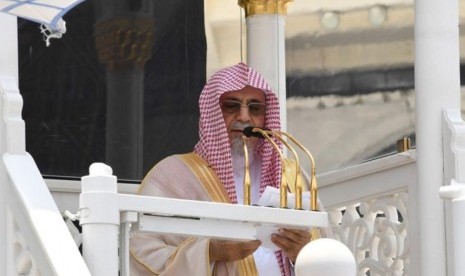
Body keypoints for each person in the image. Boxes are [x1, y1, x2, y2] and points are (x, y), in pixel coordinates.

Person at [130, 62, 326, 275]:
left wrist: (303, 253)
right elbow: (140, 251)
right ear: (211, 113)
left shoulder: (292, 176)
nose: (244, 117)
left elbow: (331, 256)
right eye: (232, 106)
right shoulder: (173, 175)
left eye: (255, 107)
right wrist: (209, 251)